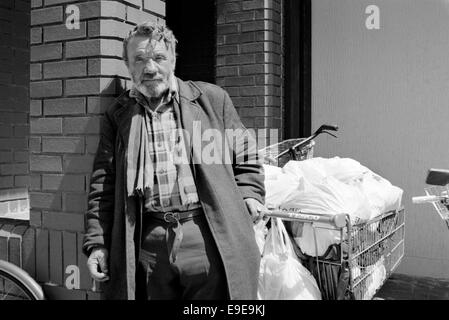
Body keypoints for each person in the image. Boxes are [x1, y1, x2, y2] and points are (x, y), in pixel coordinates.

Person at [82, 21, 267, 300]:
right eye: (140, 59)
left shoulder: (211, 100)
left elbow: (246, 155)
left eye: (158, 58)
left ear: (173, 60)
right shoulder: (118, 115)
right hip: (149, 243)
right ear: (128, 65)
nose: (150, 68)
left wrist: (250, 193)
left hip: (209, 236)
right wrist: (97, 243)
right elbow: (103, 186)